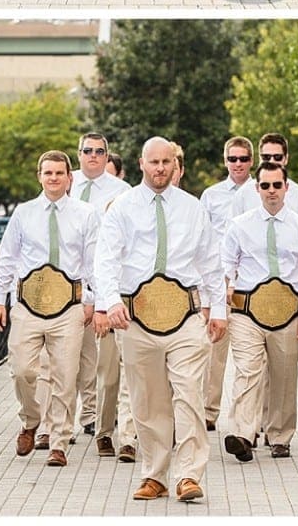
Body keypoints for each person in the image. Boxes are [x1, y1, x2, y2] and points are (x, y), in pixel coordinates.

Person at [94, 136, 227, 503]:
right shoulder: (122, 208)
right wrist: (109, 302)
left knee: (188, 396)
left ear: (175, 164)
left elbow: (210, 261)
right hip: (137, 319)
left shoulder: (192, 208)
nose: (160, 168)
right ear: (141, 163)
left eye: (166, 162)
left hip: (185, 317)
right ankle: (155, 475)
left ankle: (188, 475)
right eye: (153, 162)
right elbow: (105, 258)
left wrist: (218, 310)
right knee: (148, 401)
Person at [0, 150, 98, 468]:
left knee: (65, 376)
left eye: (59, 173)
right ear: (39, 176)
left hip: (69, 307)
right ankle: (31, 420)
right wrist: (0, 300)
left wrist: (95, 301)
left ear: (69, 178)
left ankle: (59, 442)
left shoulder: (86, 214)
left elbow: (93, 262)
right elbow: (7, 257)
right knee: (22, 370)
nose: (53, 178)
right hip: (27, 304)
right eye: (47, 173)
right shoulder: (24, 213)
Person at [222, 160, 298, 463]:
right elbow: (225, 265)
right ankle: (243, 435)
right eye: (265, 185)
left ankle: (279, 436)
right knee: (247, 371)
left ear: (287, 188)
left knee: (283, 375)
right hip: (246, 310)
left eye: (277, 185)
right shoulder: (240, 225)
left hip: (288, 311)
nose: (271, 191)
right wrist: (225, 287)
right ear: (257, 188)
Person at [62, 133, 132, 454]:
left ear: (107, 157)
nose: (93, 156)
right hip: (67, 283)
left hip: (103, 285)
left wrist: (102, 300)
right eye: (87, 151)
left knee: (98, 361)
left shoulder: (122, 193)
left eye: (99, 151)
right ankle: (60, 425)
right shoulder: (66, 182)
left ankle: (93, 418)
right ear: (78, 154)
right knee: (65, 362)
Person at [199, 136, 256, 430]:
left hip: (250, 281)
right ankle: (208, 412)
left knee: (250, 356)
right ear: (225, 161)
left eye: (243, 159)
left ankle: (251, 420)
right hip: (218, 279)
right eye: (232, 159)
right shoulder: (211, 195)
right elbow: (203, 240)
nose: (238, 164)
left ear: (252, 161)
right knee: (214, 351)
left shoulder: (261, 190)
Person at [230, 133, 298, 221]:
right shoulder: (243, 194)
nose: (271, 161)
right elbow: (232, 231)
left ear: (286, 159)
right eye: (266, 157)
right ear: (259, 158)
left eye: (277, 157)